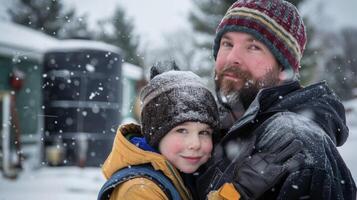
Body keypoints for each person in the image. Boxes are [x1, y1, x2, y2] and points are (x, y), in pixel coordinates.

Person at [196, 0, 357, 199]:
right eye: (227, 43)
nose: (232, 58)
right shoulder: (214, 127)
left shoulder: (298, 146)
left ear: (284, 69)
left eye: (253, 47)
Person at [97, 61, 304, 200]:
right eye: (181, 130)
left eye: (204, 132)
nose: (195, 144)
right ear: (155, 135)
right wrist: (237, 192)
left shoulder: (179, 175)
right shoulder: (139, 190)